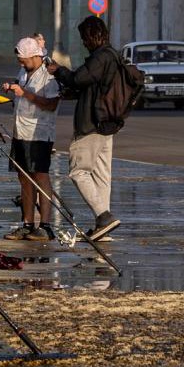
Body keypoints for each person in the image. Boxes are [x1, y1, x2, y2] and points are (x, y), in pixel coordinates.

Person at [51, 14, 136, 242]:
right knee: (101, 177)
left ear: (92, 36)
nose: (83, 43)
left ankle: (103, 216)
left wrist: (57, 70)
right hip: (107, 124)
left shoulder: (100, 58)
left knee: (78, 171)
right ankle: (103, 228)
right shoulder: (114, 56)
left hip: (91, 124)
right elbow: (92, 86)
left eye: (84, 38)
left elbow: (78, 78)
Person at [0, 36, 61, 239]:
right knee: (24, 177)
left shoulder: (49, 74)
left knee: (40, 176)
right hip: (20, 131)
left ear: (35, 56)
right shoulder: (24, 71)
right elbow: (22, 90)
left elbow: (51, 104)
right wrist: (12, 88)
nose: (20, 63)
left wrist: (24, 93)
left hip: (40, 133)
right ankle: (27, 223)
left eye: (23, 60)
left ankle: (45, 225)